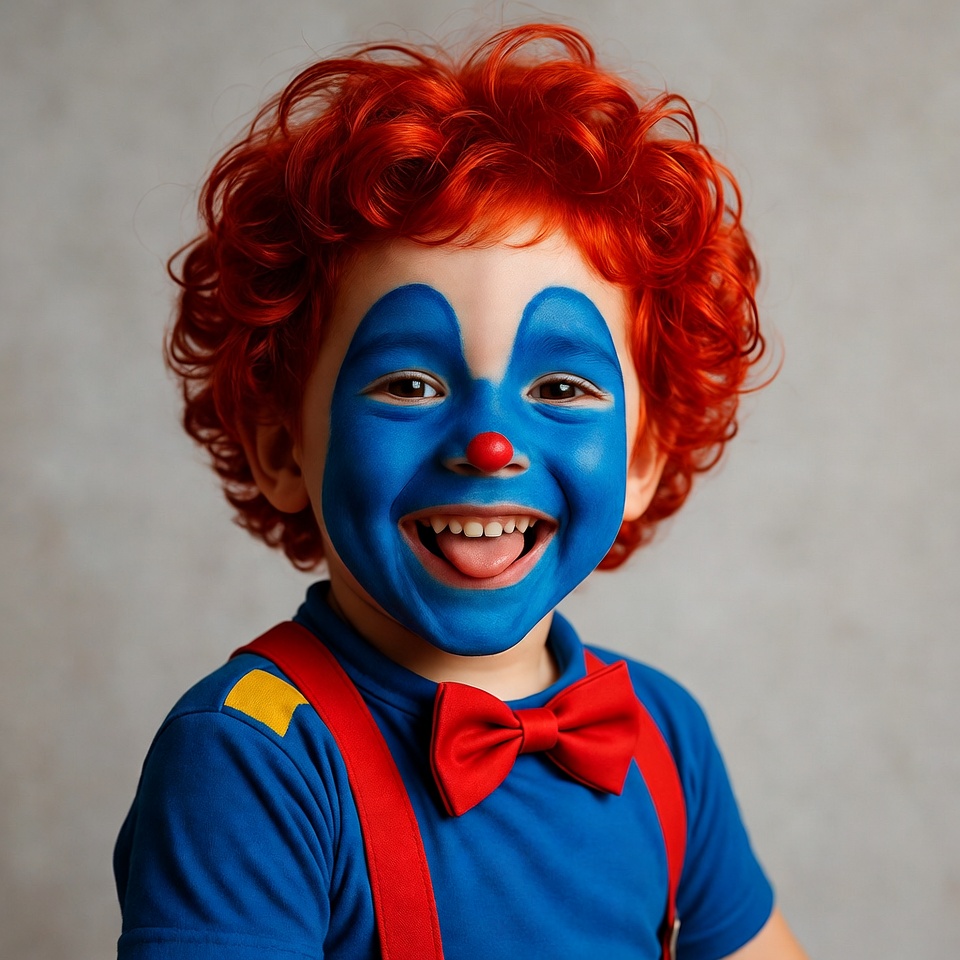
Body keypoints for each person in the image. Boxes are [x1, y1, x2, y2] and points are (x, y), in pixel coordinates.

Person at [114, 23, 808, 959]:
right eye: (410, 384)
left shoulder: (661, 733)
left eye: (560, 388)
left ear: (643, 458)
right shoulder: (253, 757)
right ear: (283, 447)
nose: (490, 446)